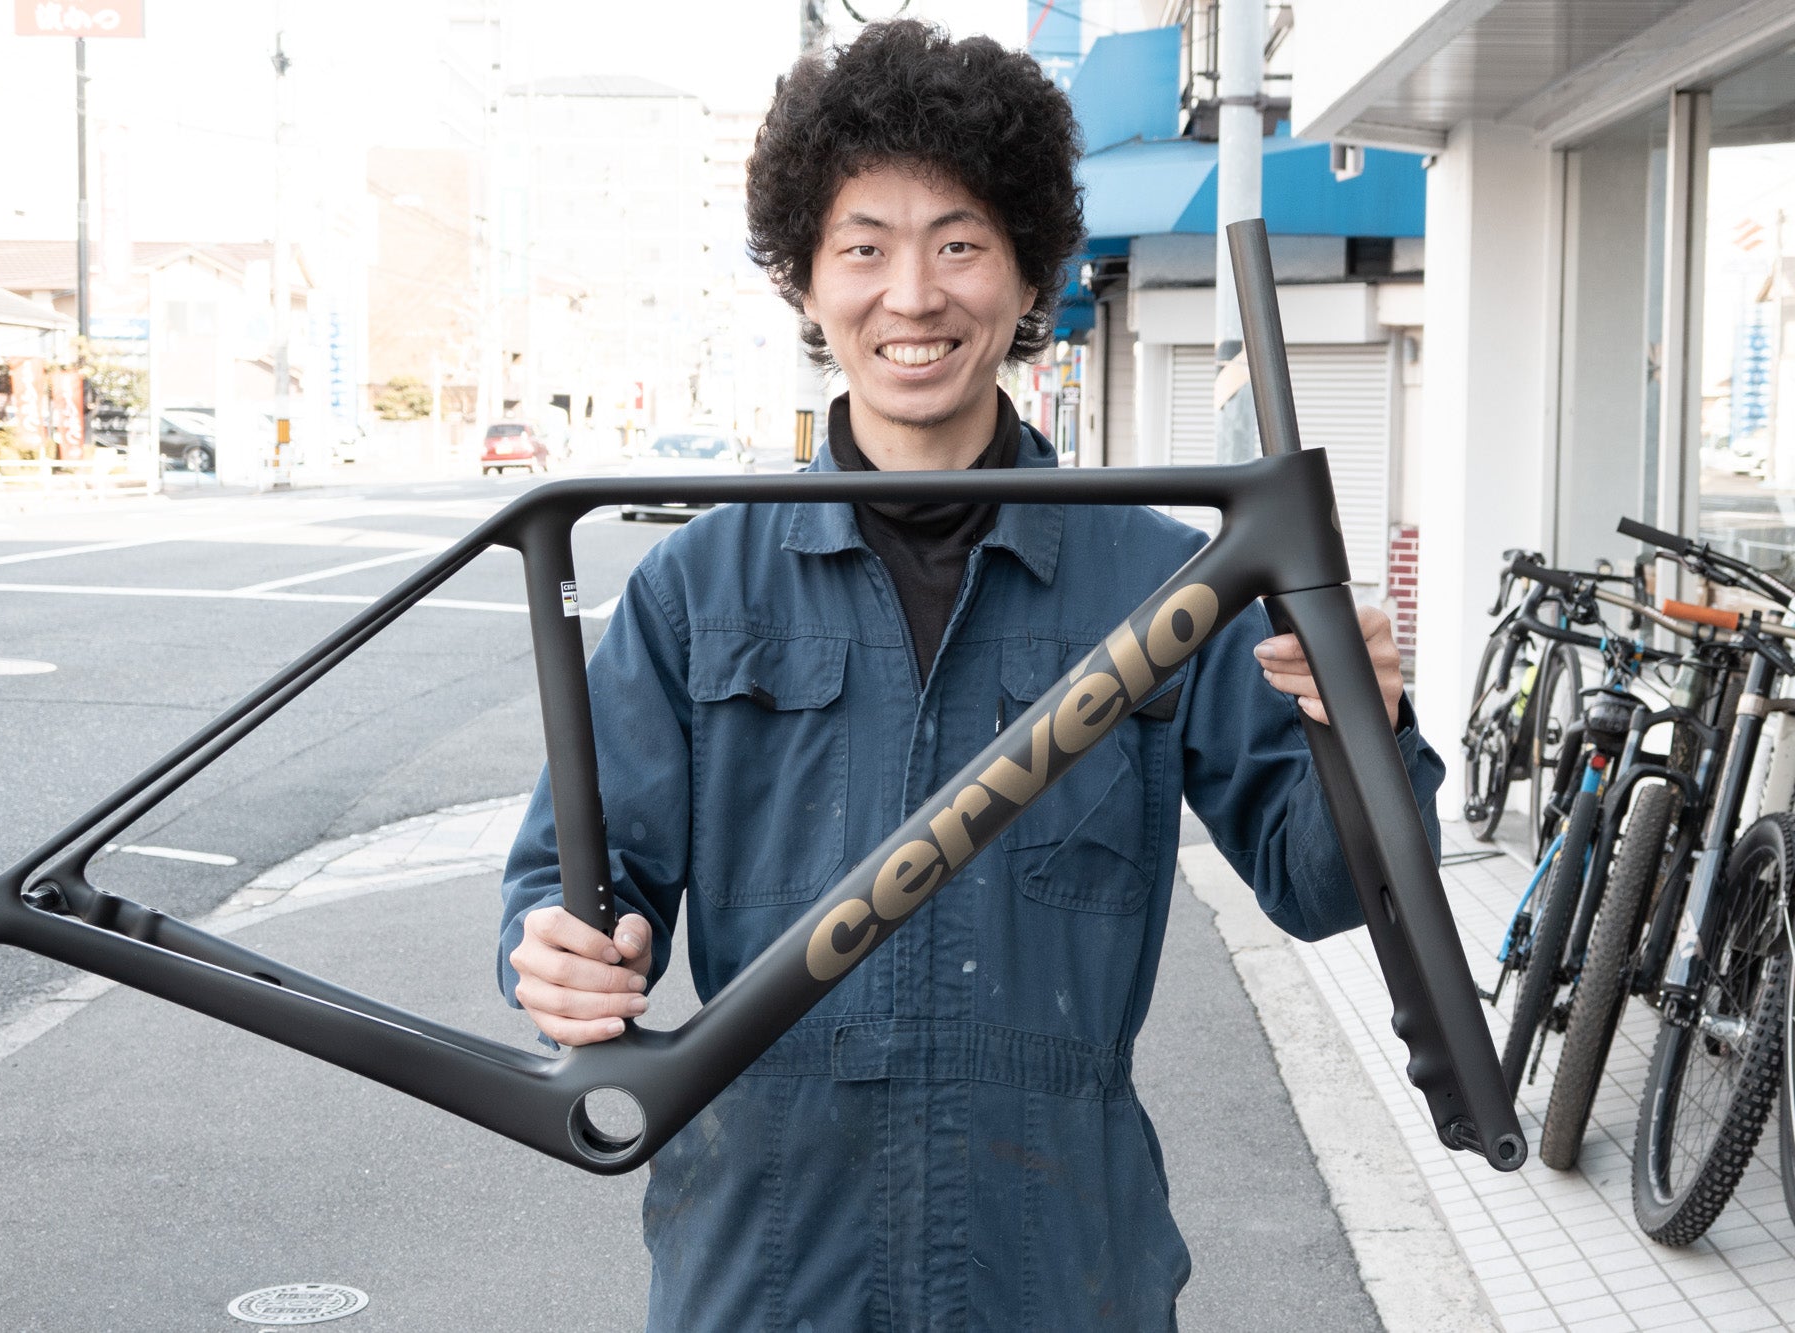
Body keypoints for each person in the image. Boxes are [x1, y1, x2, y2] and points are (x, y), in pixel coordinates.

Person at [499, 20, 1441, 1329]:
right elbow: (579, 880)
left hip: (1059, 1270)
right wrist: (552, 951)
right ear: (804, 281)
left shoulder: (1165, 584)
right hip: (768, 1272)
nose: (912, 296)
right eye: (863, 248)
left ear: (1028, 273)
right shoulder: (697, 589)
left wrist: (1362, 725)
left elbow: (1326, 884)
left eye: (958, 243)